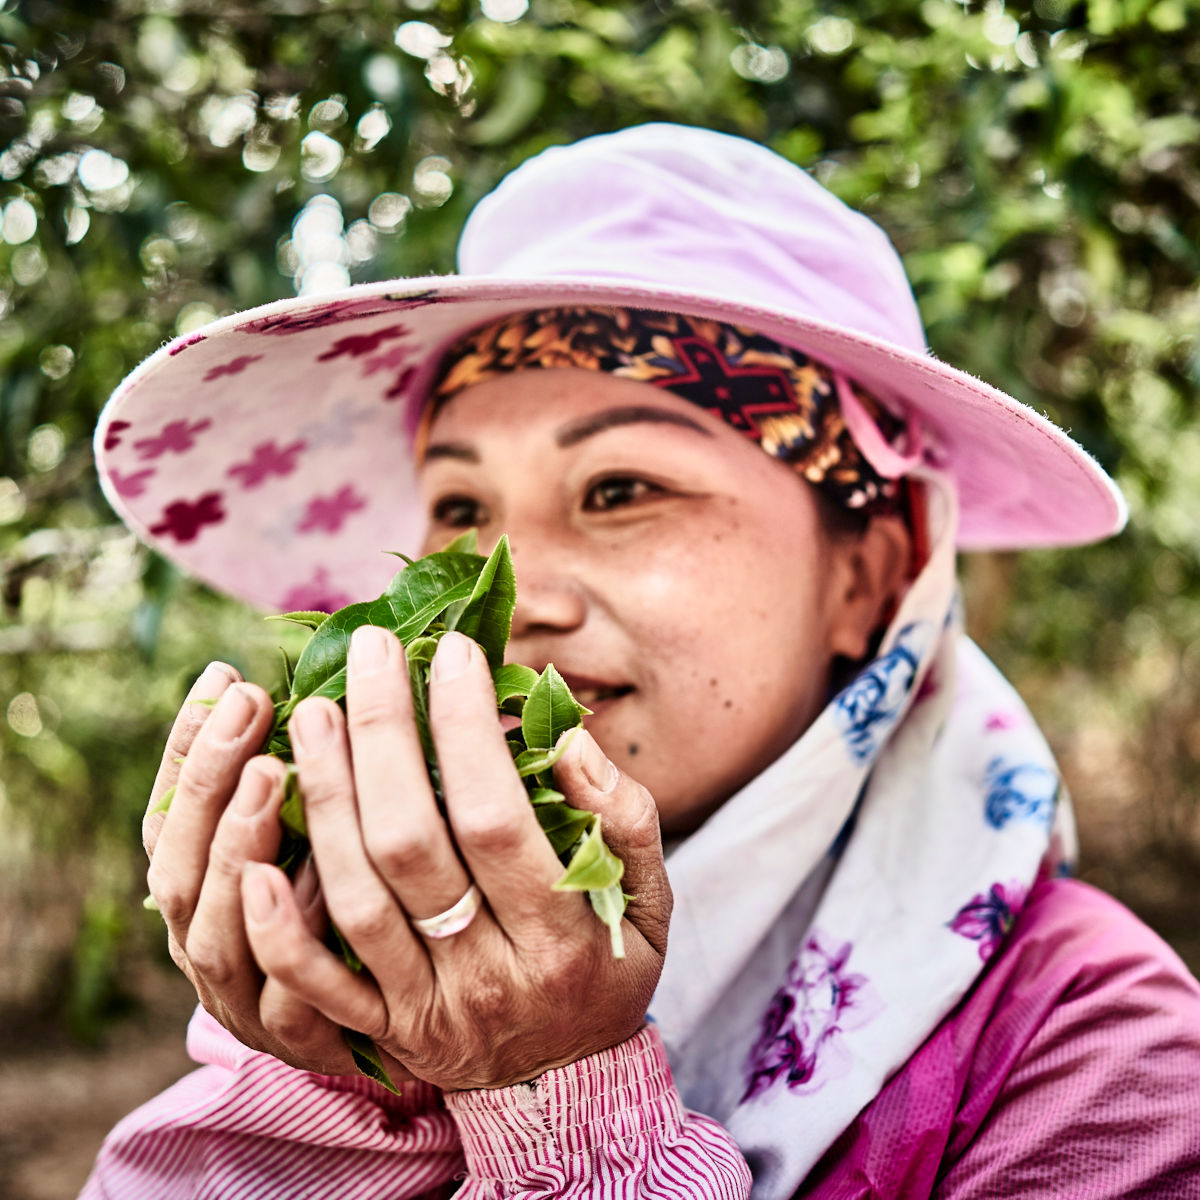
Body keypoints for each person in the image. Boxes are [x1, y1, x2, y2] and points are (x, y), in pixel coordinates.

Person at [83, 124, 1200, 1199]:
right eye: (460, 507)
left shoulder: (1108, 1065)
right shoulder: (366, 949)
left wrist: (548, 1087)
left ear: (869, 577)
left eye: (620, 490)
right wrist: (352, 1070)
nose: (509, 598)